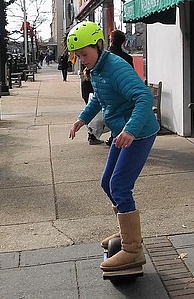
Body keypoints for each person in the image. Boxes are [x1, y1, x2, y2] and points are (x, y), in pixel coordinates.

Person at [67, 21, 160, 274]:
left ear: (98, 46)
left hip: (138, 132)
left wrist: (130, 130)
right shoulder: (97, 69)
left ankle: (132, 249)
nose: (81, 60)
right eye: (78, 56)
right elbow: (99, 97)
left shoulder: (116, 67)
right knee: (107, 182)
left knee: (119, 185)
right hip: (123, 131)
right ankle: (126, 230)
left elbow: (143, 97)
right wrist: (82, 118)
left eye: (84, 54)